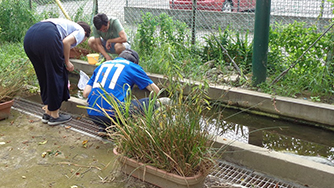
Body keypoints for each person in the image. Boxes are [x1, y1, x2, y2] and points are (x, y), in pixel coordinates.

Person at [23, 18, 91, 126]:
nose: (81, 41)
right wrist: (67, 62)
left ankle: (48, 112)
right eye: (84, 40)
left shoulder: (65, 25)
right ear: (86, 33)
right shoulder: (81, 31)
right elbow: (66, 42)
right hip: (47, 36)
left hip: (29, 37)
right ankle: (54, 116)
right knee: (56, 75)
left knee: (44, 75)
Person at [83, 49, 160, 135]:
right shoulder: (132, 66)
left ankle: (104, 128)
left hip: (93, 115)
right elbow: (156, 91)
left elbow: (86, 93)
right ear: (134, 61)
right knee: (153, 103)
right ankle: (138, 132)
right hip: (115, 115)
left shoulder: (102, 65)